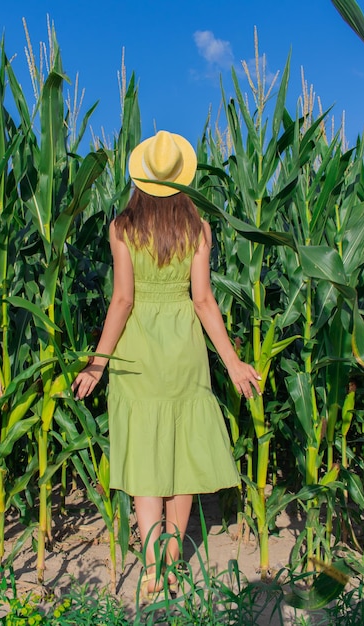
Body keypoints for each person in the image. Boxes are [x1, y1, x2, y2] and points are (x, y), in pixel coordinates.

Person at [71, 130, 262, 599]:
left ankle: (152, 569)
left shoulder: (121, 227)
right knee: (180, 455)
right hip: (183, 347)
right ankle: (171, 564)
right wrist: (233, 362)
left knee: (146, 455)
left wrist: (97, 365)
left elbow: (121, 299)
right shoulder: (198, 227)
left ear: (141, 178)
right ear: (181, 178)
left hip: (137, 350)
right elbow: (202, 300)